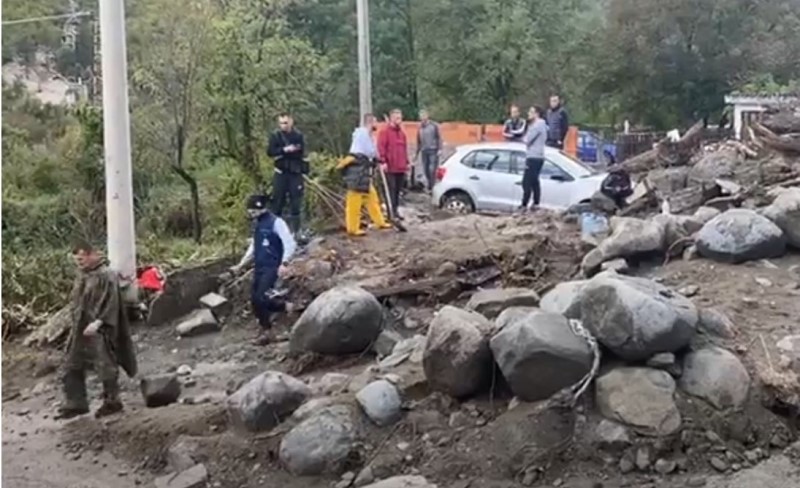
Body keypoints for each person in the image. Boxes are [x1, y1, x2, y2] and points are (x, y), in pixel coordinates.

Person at [57, 241, 137, 420]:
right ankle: (76, 403)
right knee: (71, 363)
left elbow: (112, 302)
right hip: (80, 327)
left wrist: (99, 322)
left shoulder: (106, 275)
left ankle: (112, 401)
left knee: (105, 364)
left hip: (100, 328)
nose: (80, 262)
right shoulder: (82, 275)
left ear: (93, 254)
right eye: (77, 259)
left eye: (82, 257)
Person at [230, 194, 297, 345]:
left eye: (253, 211)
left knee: (262, 297)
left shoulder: (276, 222)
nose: (251, 214)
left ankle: (288, 307)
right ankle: (266, 331)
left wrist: (284, 263)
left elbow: (290, 243)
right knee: (255, 300)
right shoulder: (258, 224)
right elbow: (254, 247)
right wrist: (241, 265)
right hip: (259, 266)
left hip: (272, 266)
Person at [337, 114, 393, 236]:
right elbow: (370, 151)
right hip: (357, 170)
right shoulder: (362, 134)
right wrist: (378, 157)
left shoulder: (366, 135)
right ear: (370, 122)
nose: (376, 125)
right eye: (375, 123)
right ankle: (352, 228)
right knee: (354, 199)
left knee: (371, 197)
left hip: (363, 169)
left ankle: (380, 222)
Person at [267, 113, 307, 234]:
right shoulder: (275, 136)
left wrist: (294, 150)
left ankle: (297, 231)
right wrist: (284, 150)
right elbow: (270, 152)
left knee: (296, 202)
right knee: (278, 201)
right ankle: (275, 230)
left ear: (291, 122)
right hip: (281, 172)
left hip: (295, 172)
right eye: (281, 123)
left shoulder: (298, 135)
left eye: (285, 123)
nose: (283, 126)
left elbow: (302, 151)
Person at [377, 108, 409, 219]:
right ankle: (390, 212)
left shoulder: (402, 134)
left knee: (398, 191)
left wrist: (407, 162)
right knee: (391, 190)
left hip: (401, 167)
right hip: (390, 167)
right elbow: (381, 147)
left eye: (400, 118)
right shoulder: (385, 132)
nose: (399, 120)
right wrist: (383, 161)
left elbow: (404, 149)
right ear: (391, 118)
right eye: (396, 118)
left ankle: (395, 211)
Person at [520, 106, 547, 211]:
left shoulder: (537, 125)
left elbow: (527, 139)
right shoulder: (542, 125)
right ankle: (536, 203)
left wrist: (525, 135)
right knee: (535, 180)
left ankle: (524, 204)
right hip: (538, 156)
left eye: (531, 112)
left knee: (526, 181)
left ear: (537, 114)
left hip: (533, 156)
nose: (528, 114)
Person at [416, 109, 442, 191]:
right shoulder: (420, 127)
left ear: (427, 116)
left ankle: (432, 186)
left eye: (424, 115)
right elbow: (418, 141)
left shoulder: (434, 125)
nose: (422, 117)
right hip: (424, 150)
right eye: (421, 116)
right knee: (425, 169)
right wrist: (416, 153)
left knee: (432, 169)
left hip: (433, 150)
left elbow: (439, 137)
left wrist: (440, 148)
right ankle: (429, 184)